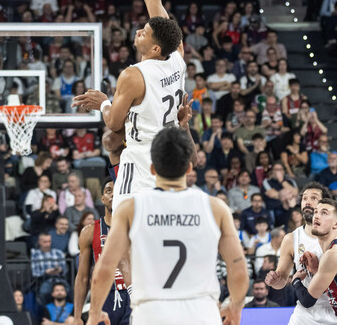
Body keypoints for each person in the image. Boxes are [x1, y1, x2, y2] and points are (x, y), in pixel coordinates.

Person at [72, 0, 188, 212]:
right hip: (170, 159)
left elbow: (113, 121)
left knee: (125, 234)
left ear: (154, 49)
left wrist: (103, 102)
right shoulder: (177, 55)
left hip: (142, 162)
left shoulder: (134, 74)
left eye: (144, 32)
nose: (139, 30)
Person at [86, 127, 248, 325]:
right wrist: (236, 306)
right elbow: (238, 268)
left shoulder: (130, 209)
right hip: (201, 311)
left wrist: (94, 311)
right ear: (189, 168)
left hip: (151, 312)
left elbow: (105, 267)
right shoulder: (216, 208)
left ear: (152, 168)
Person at [265, 182, 337, 325]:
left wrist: (326, 273)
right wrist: (275, 281)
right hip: (305, 313)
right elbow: (281, 280)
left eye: (313, 198)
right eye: (304, 198)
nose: (307, 202)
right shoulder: (291, 239)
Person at [73, 179, 131, 325]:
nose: (113, 194)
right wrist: (77, 316)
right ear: (102, 198)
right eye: (108, 191)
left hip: (131, 294)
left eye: (117, 191)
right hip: (105, 297)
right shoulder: (89, 231)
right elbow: (82, 277)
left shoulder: (136, 227)